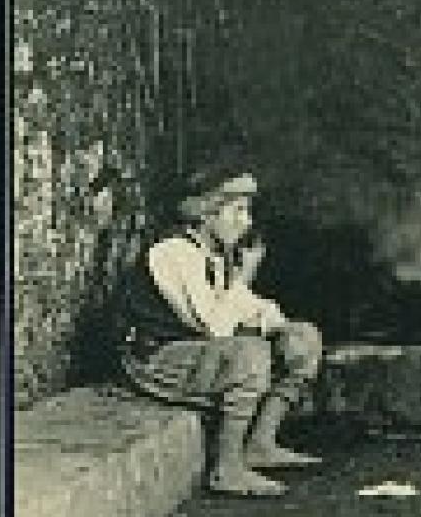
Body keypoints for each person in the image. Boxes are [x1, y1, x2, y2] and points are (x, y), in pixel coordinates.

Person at [118, 161, 324, 497]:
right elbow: (215, 326)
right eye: (238, 211)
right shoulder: (174, 252)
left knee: (303, 337)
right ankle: (226, 468)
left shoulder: (215, 252)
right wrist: (245, 276)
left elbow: (246, 305)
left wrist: (280, 326)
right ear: (206, 213)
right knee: (249, 353)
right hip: (155, 357)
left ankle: (260, 443)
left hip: (198, 352)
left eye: (248, 211)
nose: (247, 221)